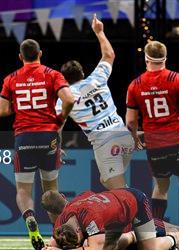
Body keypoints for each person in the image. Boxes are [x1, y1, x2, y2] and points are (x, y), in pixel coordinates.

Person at [0, 39, 75, 250]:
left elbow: (1, 111)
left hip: (24, 138)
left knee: (23, 190)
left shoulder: (11, 78)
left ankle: (30, 218)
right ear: (40, 53)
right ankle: (58, 234)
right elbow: (69, 99)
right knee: (51, 191)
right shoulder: (51, 74)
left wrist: (21, 104)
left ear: (20, 57)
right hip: (48, 136)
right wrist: (59, 119)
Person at [125, 40, 179, 227]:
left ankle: (157, 231)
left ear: (146, 58)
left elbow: (130, 121)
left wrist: (134, 137)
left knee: (161, 187)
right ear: (165, 57)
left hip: (155, 146)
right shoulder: (177, 79)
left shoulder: (135, 85)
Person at [57, 14, 133, 190]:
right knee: (106, 181)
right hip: (124, 136)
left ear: (64, 80)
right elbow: (109, 54)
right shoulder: (97, 79)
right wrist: (99, 32)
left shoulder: (66, 97)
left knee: (121, 192)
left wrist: (57, 147)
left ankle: (143, 216)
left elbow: (56, 126)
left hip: (105, 142)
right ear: (82, 73)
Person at [41, 190, 179, 250]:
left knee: (151, 249)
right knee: (110, 244)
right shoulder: (63, 220)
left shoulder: (90, 218)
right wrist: (48, 249)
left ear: (79, 228)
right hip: (117, 210)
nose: (78, 242)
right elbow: (53, 243)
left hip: (134, 203)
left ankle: (174, 240)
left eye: (78, 237)